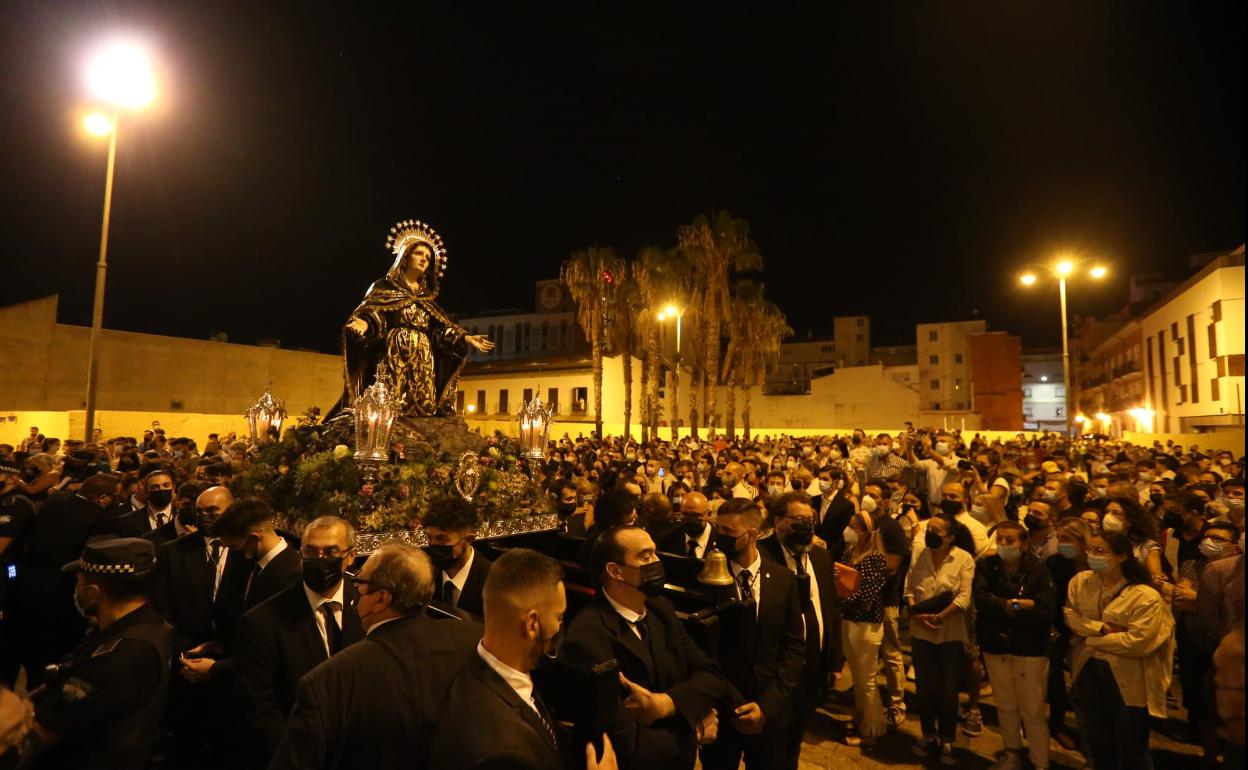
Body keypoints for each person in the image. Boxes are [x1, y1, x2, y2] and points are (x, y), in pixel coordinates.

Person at [271, 543, 483, 770]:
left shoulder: (328, 681)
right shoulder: (474, 640)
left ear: (381, 599)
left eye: (360, 586)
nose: (355, 597)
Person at [428, 547, 618, 770]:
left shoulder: (485, 666)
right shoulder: (502, 751)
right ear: (532, 624)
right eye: (558, 617)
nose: (559, 627)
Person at [560, 525, 724, 770]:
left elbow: (711, 675)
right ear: (615, 571)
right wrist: (696, 732)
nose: (656, 562)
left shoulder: (661, 609)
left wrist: (666, 704)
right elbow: (627, 745)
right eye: (645, 556)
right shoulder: (587, 636)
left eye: (655, 554)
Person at [16, 537, 174, 770]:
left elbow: (44, 731)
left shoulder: (117, 656)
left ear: (92, 592)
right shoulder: (154, 626)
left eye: (78, 583)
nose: (76, 590)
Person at [234, 516, 364, 764]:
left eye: (331, 551)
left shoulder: (370, 604)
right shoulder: (263, 621)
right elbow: (260, 708)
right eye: (311, 551)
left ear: (350, 556)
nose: (320, 560)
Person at [334, 220, 494, 419]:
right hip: (395, 350)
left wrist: (465, 339)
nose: (424, 259)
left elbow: (438, 331)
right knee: (390, 401)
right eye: (419, 253)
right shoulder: (384, 289)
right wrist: (364, 323)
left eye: (428, 257)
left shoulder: (427, 299)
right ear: (405, 256)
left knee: (422, 406)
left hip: (423, 355)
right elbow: (376, 315)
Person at [700, 498, 805, 770]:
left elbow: (793, 648)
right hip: (721, 711)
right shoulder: (705, 576)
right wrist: (735, 704)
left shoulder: (783, 579)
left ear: (752, 534)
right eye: (717, 529)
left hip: (770, 713)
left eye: (728, 532)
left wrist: (766, 707)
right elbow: (702, 650)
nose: (719, 539)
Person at [1065, 531, 1175, 770]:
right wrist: (1102, 628)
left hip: (1128, 673)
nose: (1092, 556)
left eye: (1100, 551)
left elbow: (1139, 641)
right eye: (1090, 550)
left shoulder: (1144, 595)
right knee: (1098, 737)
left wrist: (1092, 639)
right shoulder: (1081, 581)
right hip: (1089, 667)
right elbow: (1071, 616)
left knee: (1132, 742)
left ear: (1122, 556)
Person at [11, 472, 119, 687]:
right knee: (60, 651)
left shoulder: (54, 502)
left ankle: (33, 686)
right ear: (103, 498)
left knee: (34, 648)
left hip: (29, 586)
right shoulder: (101, 518)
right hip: (65, 595)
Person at [760, 493, 842, 767]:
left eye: (810, 520)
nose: (806, 525)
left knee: (795, 738)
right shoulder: (762, 556)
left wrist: (834, 659)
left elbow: (831, 609)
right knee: (772, 744)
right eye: (798, 520)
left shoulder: (820, 556)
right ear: (778, 521)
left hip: (813, 667)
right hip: (778, 669)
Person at [973, 520, 1056, 770]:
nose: (1004, 544)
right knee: (1005, 703)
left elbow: (1043, 609)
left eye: (1010, 540)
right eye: (1000, 539)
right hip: (995, 644)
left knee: (1032, 709)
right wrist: (1015, 604)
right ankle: (1012, 753)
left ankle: (1039, 761)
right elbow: (981, 598)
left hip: (1029, 647)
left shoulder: (1039, 570)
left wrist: (1007, 605)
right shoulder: (986, 566)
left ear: (1023, 543)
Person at [904, 514, 975, 766]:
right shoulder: (922, 554)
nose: (930, 533)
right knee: (924, 687)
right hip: (921, 631)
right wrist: (917, 612)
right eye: (929, 529)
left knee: (948, 689)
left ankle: (947, 736)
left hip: (949, 634)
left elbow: (963, 597)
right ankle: (927, 734)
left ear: (950, 537)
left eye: (937, 531)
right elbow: (909, 587)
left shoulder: (963, 559)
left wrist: (939, 617)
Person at [834, 510, 889, 747]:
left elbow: (866, 595)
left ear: (868, 533)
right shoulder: (849, 551)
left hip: (866, 621)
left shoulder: (875, 558)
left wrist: (838, 601)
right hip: (848, 618)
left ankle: (873, 728)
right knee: (856, 674)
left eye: (855, 528)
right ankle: (861, 716)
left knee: (867, 678)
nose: (849, 531)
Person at [1045, 517, 1091, 751]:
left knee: (1085, 686)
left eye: (1067, 539)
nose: (1061, 543)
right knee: (1056, 684)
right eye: (1059, 538)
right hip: (1058, 631)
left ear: (1082, 541)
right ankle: (1058, 725)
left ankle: (1090, 732)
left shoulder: (1097, 564)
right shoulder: (1055, 563)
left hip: (1090, 632)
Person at [423, 495, 493, 619]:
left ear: (468, 540)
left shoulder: (492, 581)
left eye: (442, 539)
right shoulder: (425, 575)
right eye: (429, 538)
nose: (433, 545)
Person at [657, 491, 713, 559]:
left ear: (709, 514)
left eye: (696, 515)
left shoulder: (721, 540)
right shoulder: (668, 539)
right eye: (685, 514)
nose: (690, 520)